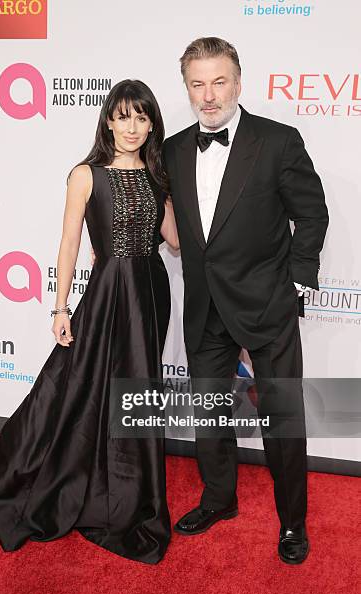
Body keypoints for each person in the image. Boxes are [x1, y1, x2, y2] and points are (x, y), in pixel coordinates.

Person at [0, 79, 180, 565]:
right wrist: (59, 308)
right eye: (123, 116)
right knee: (77, 387)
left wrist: (182, 198)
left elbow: (176, 241)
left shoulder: (159, 176)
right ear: (108, 121)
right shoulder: (85, 174)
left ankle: (129, 488)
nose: (132, 127)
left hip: (150, 293)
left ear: (152, 123)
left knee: (136, 388)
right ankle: (72, 478)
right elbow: (70, 245)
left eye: (142, 117)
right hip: (106, 291)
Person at [162, 37, 329, 564]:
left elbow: (313, 213)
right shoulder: (172, 149)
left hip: (266, 305)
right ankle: (219, 499)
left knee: (281, 418)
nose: (208, 96)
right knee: (211, 415)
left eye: (218, 82)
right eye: (197, 84)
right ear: (186, 87)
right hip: (205, 308)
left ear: (238, 81)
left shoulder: (278, 141)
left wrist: (296, 284)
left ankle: (292, 523)